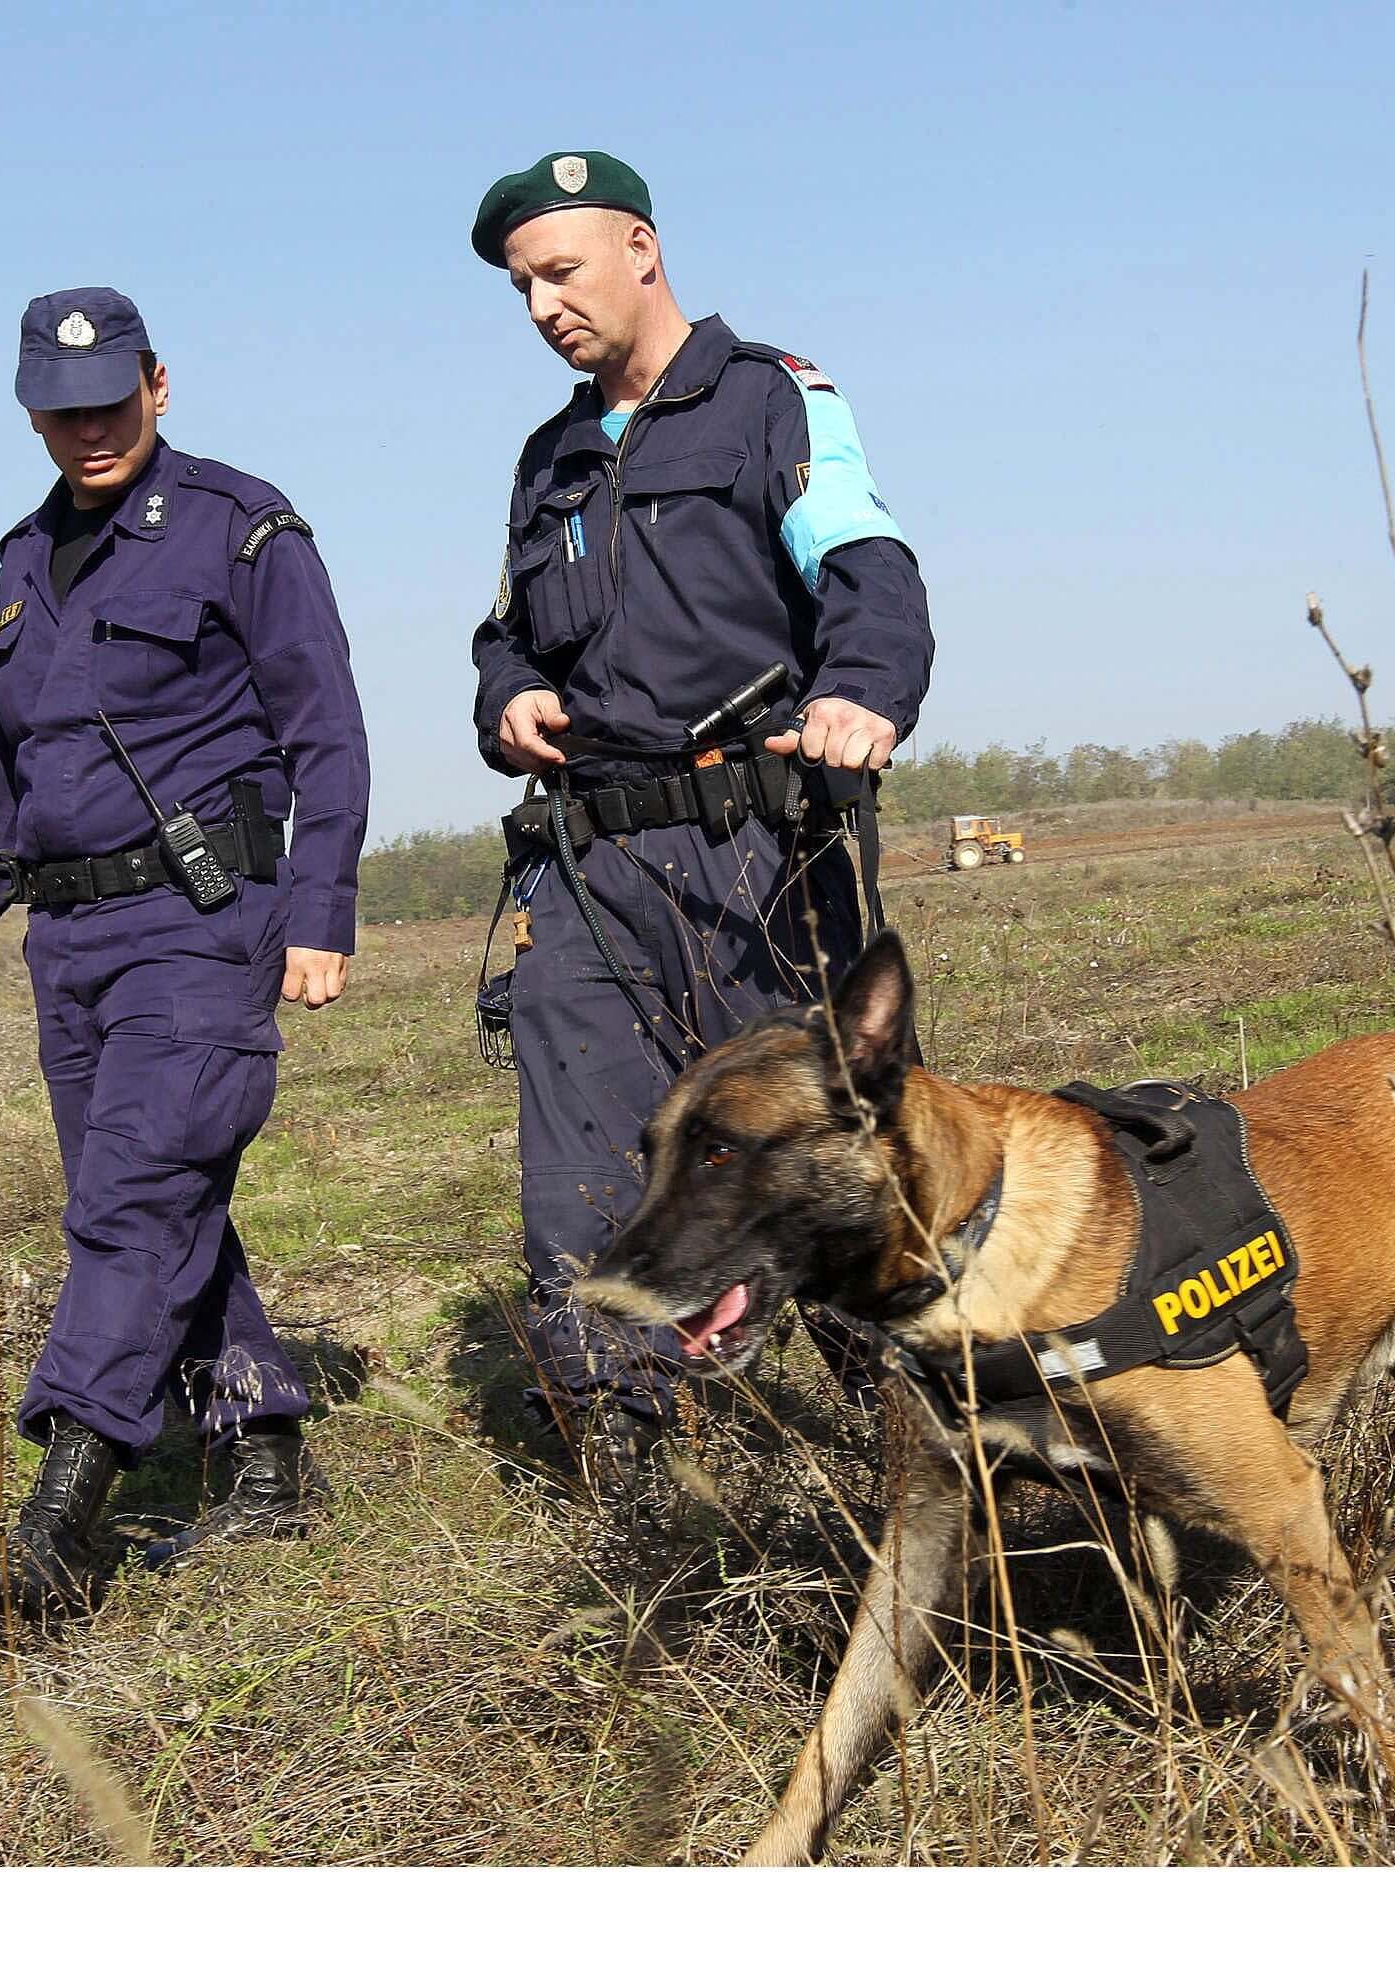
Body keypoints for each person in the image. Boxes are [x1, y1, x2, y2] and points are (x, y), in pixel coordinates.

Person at [467, 152, 937, 1491]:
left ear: (642, 248)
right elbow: (507, 633)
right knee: (582, 1160)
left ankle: (914, 1411)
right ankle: (625, 1442)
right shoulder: (548, 459)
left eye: (561, 271)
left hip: (759, 854)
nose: (544, 304)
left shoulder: (773, 399)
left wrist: (860, 690)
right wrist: (507, 698)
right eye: (522, 286)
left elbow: (866, 558)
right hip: (592, 860)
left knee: (826, 1150)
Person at [0, 287, 370, 1618]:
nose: (89, 427)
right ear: (30, 414)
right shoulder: (24, 557)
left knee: (132, 1200)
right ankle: (265, 1442)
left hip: (202, 918)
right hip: (71, 939)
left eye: (111, 399)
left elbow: (325, 724)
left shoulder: (240, 527)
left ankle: (66, 1505)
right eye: (62, 410)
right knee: (153, 1198)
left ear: (159, 384)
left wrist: (322, 906)